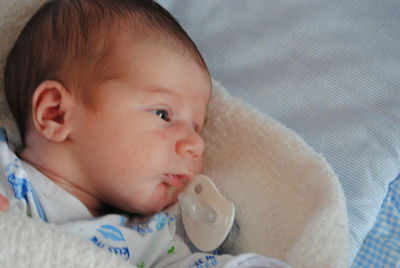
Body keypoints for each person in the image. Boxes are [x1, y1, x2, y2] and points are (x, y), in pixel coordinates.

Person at [0, 0, 290, 267]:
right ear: (56, 113)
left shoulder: (149, 241)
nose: (196, 144)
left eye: (196, 127)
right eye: (163, 114)